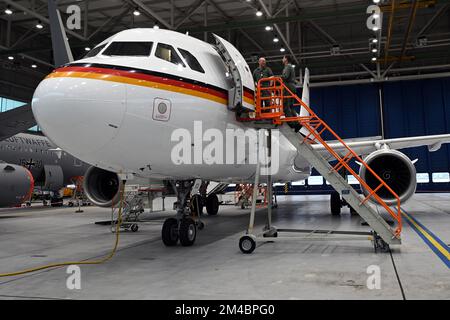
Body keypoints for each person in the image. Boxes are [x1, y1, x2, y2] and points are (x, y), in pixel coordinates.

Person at [281, 55, 301, 132]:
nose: (282, 59)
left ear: (286, 59)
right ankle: (296, 123)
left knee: (286, 105)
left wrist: (275, 78)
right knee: (291, 106)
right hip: (292, 87)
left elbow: (285, 77)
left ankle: (292, 123)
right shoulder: (290, 67)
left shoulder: (288, 67)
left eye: (283, 58)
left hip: (288, 87)